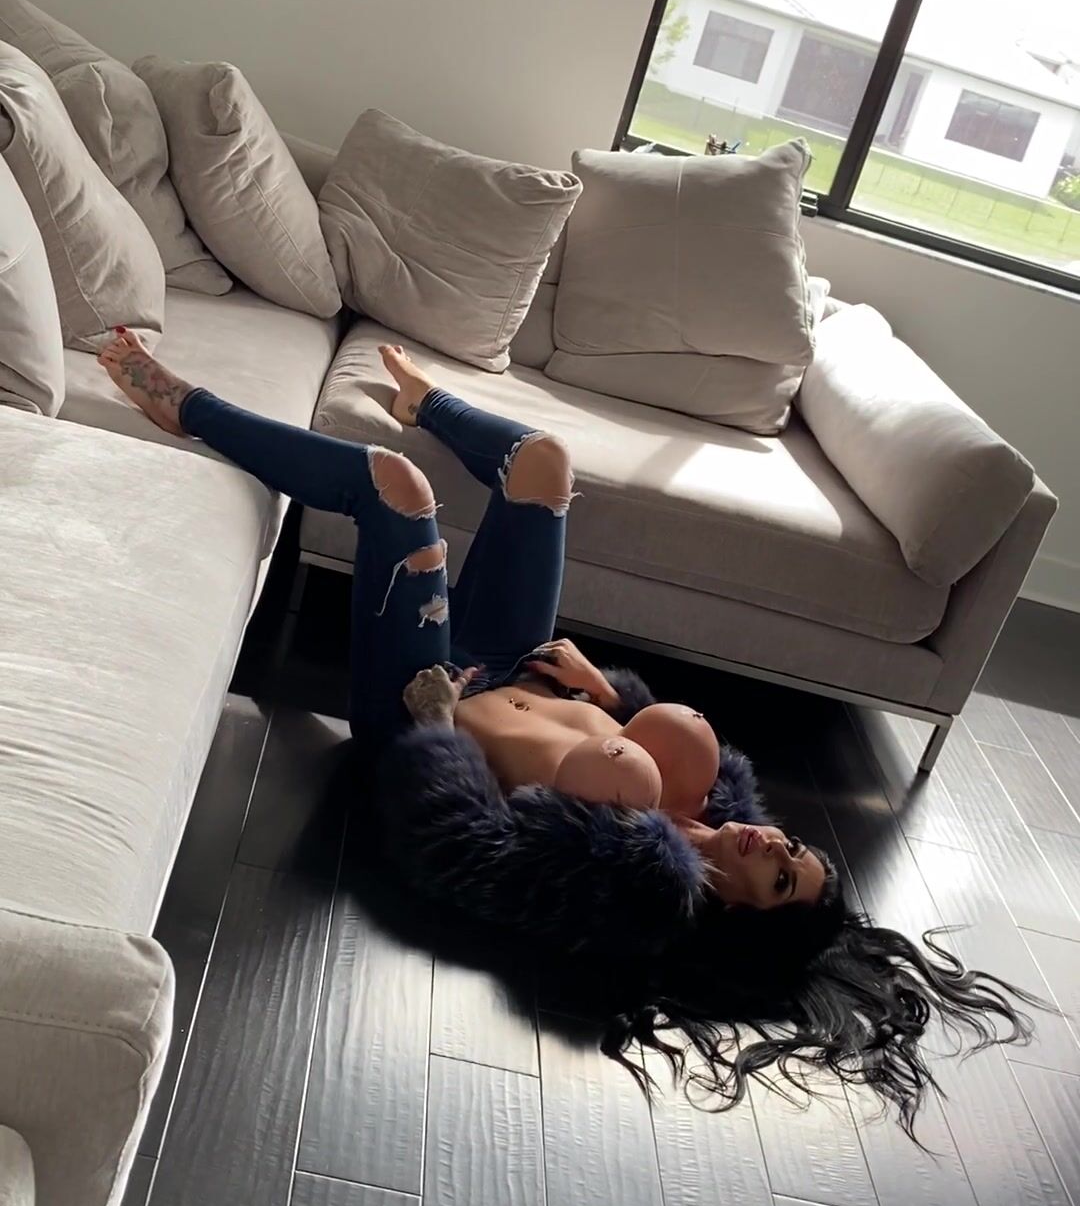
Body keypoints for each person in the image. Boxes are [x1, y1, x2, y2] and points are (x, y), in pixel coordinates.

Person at [98, 328, 1034, 1135]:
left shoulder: (628, 888)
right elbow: (609, 738)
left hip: (421, 703)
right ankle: (427, 401)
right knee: (546, 464)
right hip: (511, 660)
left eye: (779, 877)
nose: (772, 845)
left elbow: (465, 848)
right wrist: (604, 692)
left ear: (745, 919)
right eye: (795, 848)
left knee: (396, 490)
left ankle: (188, 410)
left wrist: (440, 733)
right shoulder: (699, 790)